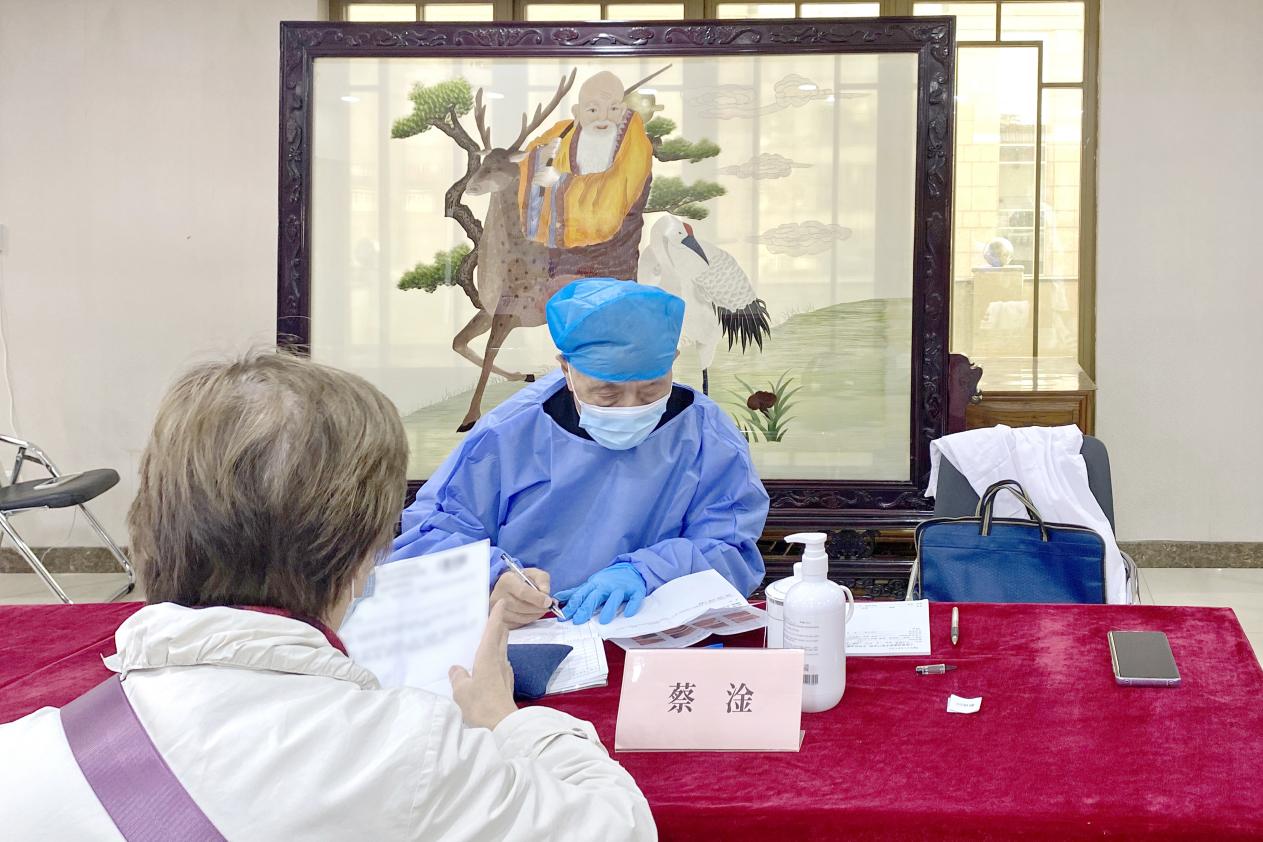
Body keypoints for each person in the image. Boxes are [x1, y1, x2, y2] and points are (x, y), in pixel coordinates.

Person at [0, 352, 654, 841]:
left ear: (151, 524)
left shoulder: (25, 754)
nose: (627, 406)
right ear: (362, 556)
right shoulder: (411, 755)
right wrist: (506, 720)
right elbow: (616, 827)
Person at [392, 278, 769, 627]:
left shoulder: (705, 434)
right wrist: (492, 578)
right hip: (531, 632)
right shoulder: (507, 435)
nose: (629, 408)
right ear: (566, 370)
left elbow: (731, 549)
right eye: (607, 393)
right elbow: (432, 537)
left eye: (651, 390)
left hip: (651, 635)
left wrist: (649, 572)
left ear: (672, 361)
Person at [519, 71, 654, 282]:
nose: (603, 118)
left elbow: (609, 203)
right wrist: (541, 156)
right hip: (561, 263)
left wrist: (558, 180)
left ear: (622, 110)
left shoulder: (635, 146)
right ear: (577, 112)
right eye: (593, 109)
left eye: (613, 109)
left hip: (613, 265)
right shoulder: (563, 132)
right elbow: (528, 159)